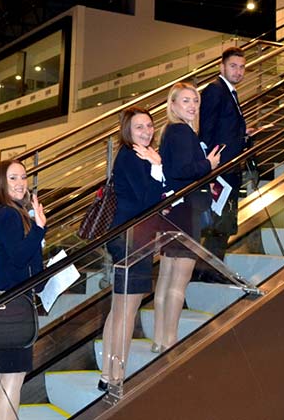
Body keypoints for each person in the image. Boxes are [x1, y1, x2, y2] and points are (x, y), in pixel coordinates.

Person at [98, 107, 165, 392]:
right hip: (132, 237)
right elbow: (147, 201)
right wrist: (157, 167)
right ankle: (116, 376)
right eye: (139, 127)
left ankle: (107, 374)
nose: (146, 131)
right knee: (126, 310)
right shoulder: (134, 156)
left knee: (120, 309)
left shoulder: (133, 155)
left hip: (128, 235)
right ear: (127, 130)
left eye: (149, 125)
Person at [154, 82, 222, 352]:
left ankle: (159, 339)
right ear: (172, 105)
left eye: (195, 101)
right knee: (178, 281)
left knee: (166, 277)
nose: (192, 106)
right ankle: (169, 340)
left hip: (173, 210)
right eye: (185, 101)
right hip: (185, 211)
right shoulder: (182, 131)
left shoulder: (170, 131)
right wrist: (208, 164)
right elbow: (183, 170)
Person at [0, 159, 45, 420]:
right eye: (13, 178)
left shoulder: (6, 212)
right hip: (14, 304)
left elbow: (18, 258)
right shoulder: (9, 214)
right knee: (13, 377)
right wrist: (39, 229)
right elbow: (19, 257)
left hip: (2, 300)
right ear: (1, 183)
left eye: (23, 177)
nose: (20, 183)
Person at [198, 47, 257, 264]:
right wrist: (209, 167)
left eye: (242, 67)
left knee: (224, 223)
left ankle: (211, 269)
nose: (238, 71)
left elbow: (222, 126)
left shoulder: (229, 91)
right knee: (219, 224)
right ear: (221, 66)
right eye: (233, 66)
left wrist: (242, 133)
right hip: (221, 170)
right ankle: (208, 270)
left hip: (228, 168)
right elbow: (207, 129)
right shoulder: (216, 90)